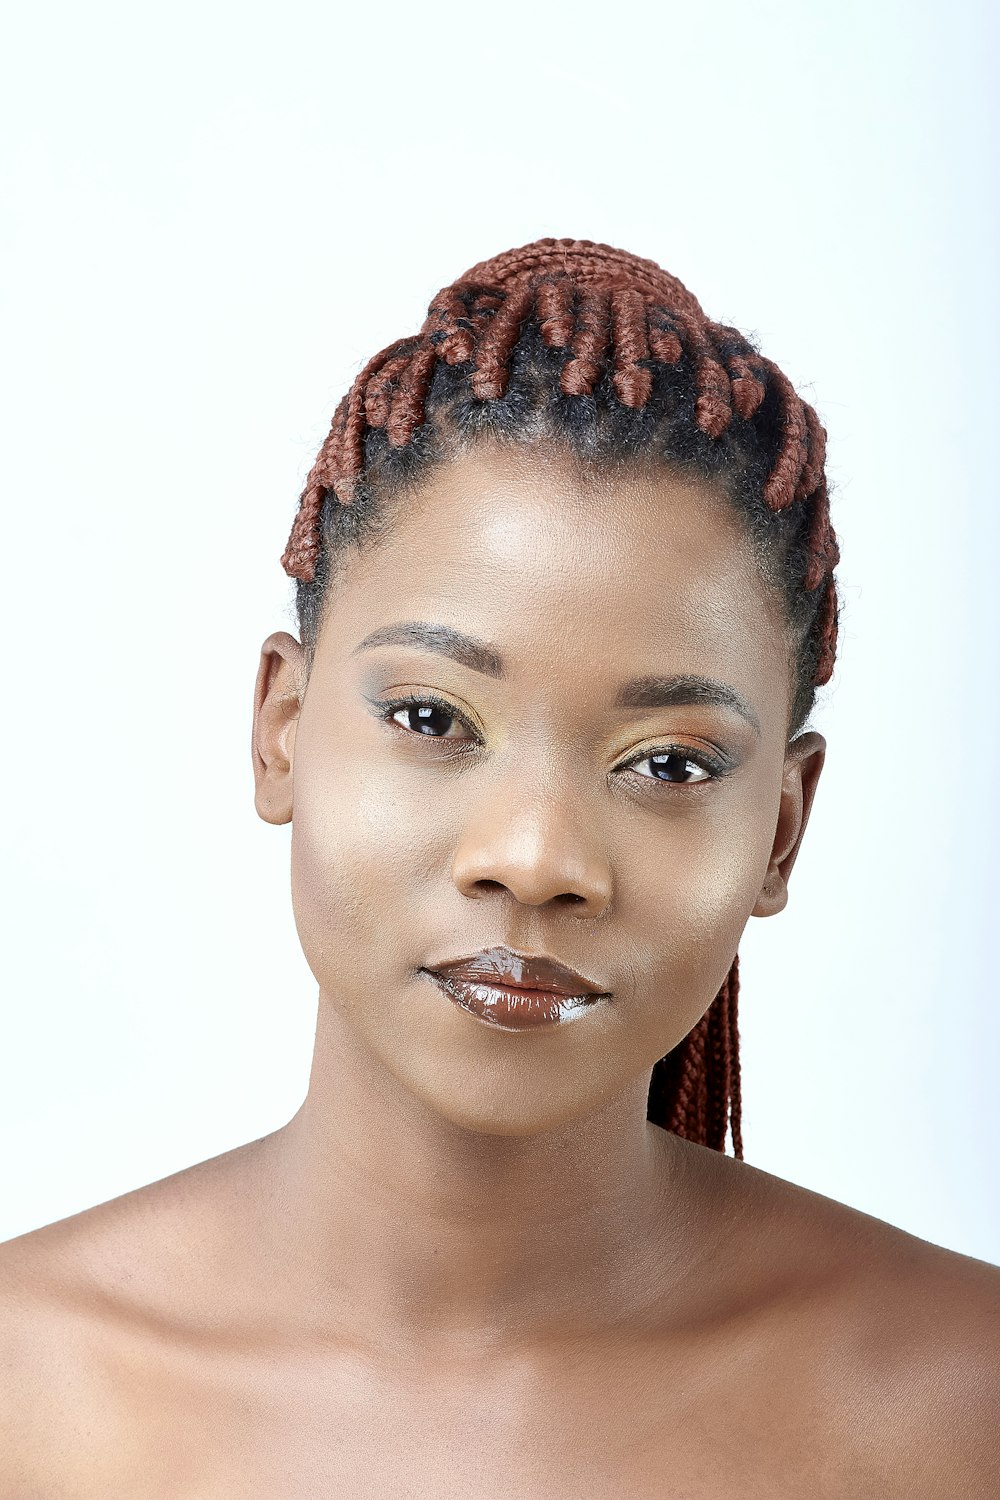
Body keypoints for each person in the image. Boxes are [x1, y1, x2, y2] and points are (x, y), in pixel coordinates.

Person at [1, 236, 997, 1496]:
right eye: (431, 719)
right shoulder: (26, 1395)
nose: (534, 860)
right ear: (282, 732)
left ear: (781, 830)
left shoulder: (963, 1408)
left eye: (669, 764)